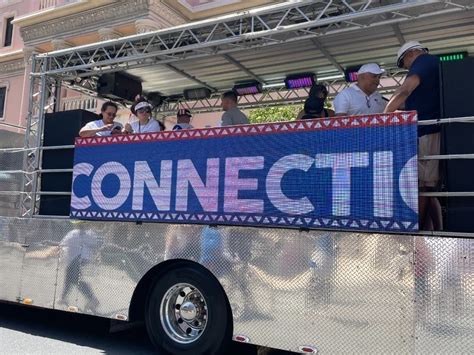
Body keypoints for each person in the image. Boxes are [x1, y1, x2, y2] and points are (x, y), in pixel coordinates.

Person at [384, 41, 442, 230]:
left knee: (424, 184)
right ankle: (428, 226)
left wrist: (385, 115)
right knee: (426, 185)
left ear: (410, 54)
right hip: (431, 127)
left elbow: (405, 90)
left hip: (426, 131)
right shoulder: (434, 63)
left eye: (404, 64)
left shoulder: (422, 63)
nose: (406, 68)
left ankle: (418, 229)